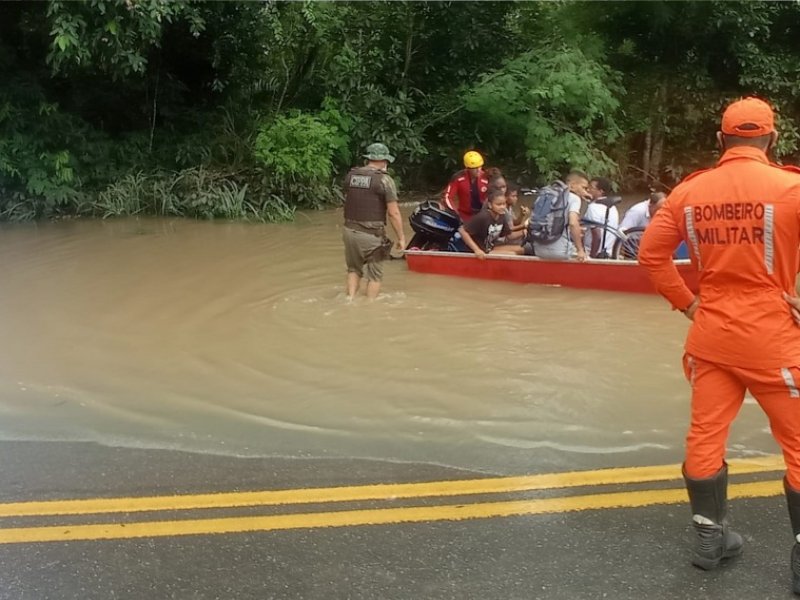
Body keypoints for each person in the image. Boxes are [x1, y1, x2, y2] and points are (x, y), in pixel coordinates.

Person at [638, 97, 800, 593]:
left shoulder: (690, 192)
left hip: (710, 333)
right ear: (772, 139)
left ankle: (709, 539)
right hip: (774, 337)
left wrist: (687, 304)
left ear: (720, 139)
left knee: (705, 436)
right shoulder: (792, 188)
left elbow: (651, 255)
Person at [342, 142, 406, 300]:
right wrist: (401, 237)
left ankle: (349, 300)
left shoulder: (351, 175)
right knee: (375, 276)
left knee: (353, 270)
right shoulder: (385, 180)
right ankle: (370, 307)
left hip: (349, 232)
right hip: (371, 235)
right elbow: (394, 213)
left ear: (368, 159)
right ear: (384, 161)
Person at [531, 170, 590, 261]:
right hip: (560, 252)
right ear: (572, 185)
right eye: (584, 188)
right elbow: (573, 223)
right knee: (586, 257)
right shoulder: (574, 198)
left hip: (538, 250)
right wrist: (580, 250)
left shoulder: (547, 195)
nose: (585, 192)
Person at [448, 188, 524, 258]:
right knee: (512, 255)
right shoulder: (483, 217)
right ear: (490, 205)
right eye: (498, 204)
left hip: (491, 248)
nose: (502, 207)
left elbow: (508, 235)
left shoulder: (502, 216)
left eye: (504, 204)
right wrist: (476, 250)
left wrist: (524, 231)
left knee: (521, 250)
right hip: (482, 251)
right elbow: (462, 230)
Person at [443, 151, 490, 223]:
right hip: (464, 215)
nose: (479, 170)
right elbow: (447, 196)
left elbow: (495, 196)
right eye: (475, 168)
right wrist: (455, 213)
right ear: (468, 168)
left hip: (483, 214)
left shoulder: (487, 177)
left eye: (480, 167)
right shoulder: (458, 178)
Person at [582, 176, 620, 258]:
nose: (588, 190)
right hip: (609, 252)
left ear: (601, 191)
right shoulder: (613, 207)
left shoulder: (593, 208)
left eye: (591, 188)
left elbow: (597, 236)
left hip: (593, 252)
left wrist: (592, 257)